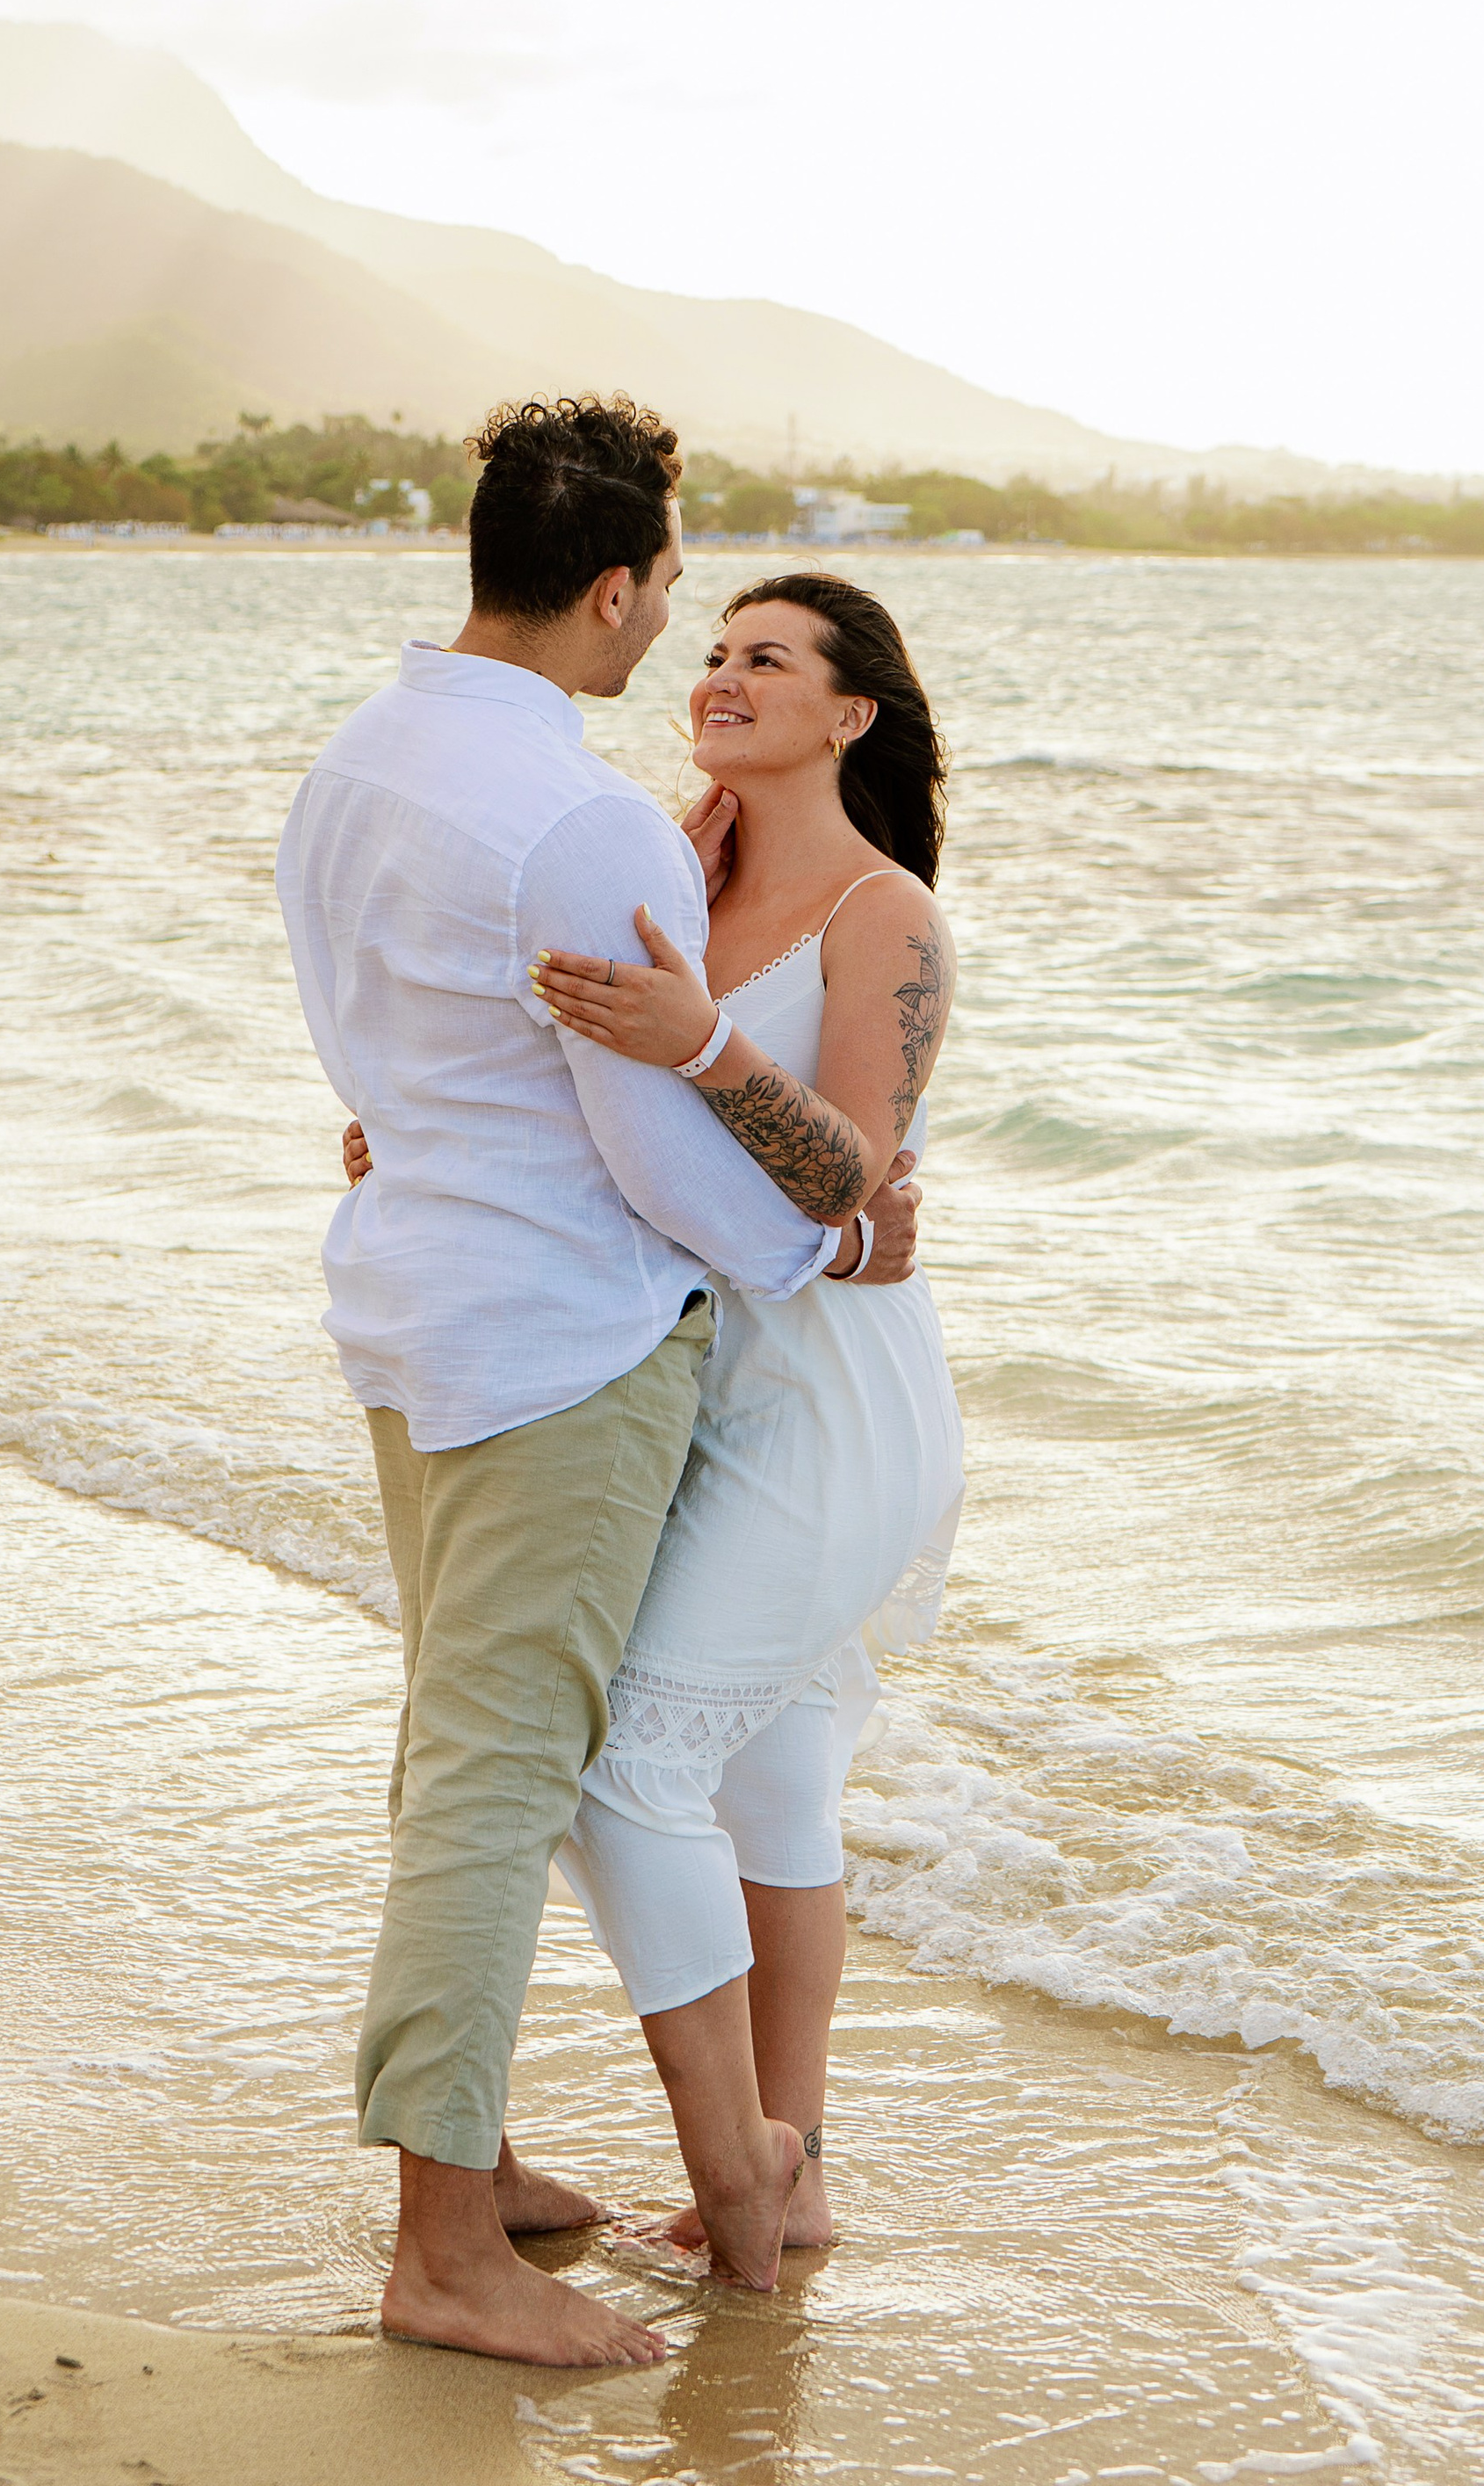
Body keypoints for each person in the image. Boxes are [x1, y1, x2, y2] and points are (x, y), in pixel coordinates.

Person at [276, 399, 923, 2371]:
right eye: (678, 613)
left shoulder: (355, 763)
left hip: (411, 1309)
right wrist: (820, 1241)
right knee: (496, 1777)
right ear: (617, 584)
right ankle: (444, 2242)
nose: (683, 658)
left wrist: (422, 1139)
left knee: (464, 1744)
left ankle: (465, 2158)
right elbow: (647, 1151)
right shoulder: (581, 817)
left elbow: (354, 1034)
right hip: (557, 1341)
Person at [529, 571, 962, 2267]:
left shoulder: (886, 915)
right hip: (684, 1389)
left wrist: (703, 1042)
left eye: (765, 659)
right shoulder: (672, 868)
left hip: (838, 1409)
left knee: (627, 1760)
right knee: (775, 1791)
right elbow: (604, 1127)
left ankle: (740, 2173)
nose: (719, 675)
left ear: (850, 712)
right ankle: (795, 2175)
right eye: (711, 653)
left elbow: (852, 1177)